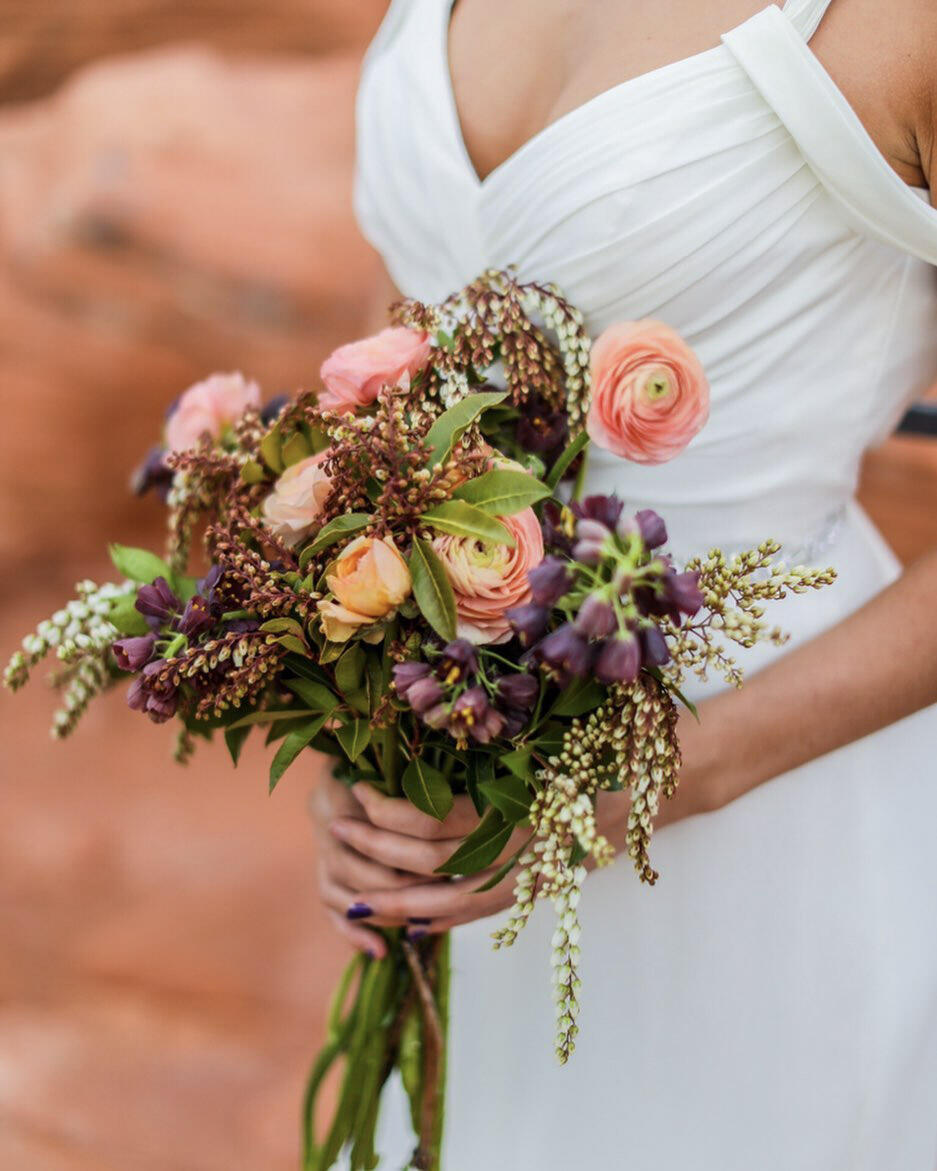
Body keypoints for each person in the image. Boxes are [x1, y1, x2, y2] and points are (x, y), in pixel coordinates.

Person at [311, 1, 937, 1165]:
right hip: (468, 799)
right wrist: (356, 728)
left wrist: (648, 783)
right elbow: (386, 360)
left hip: (766, 807)